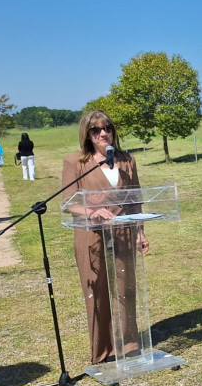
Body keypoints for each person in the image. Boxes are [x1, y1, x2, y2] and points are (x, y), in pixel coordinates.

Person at [62, 110, 149, 365]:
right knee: (97, 291)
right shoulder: (75, 162)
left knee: (125, 288)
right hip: (91, 234)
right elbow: (68, 202)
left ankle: (128, 344)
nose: (103, 134)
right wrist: (91, 211)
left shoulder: (127, 160)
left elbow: (135, 199)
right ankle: (103, 350)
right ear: (87, 134)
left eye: (108, 128)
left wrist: (140, 231)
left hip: (123, 231)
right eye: (96, 130)